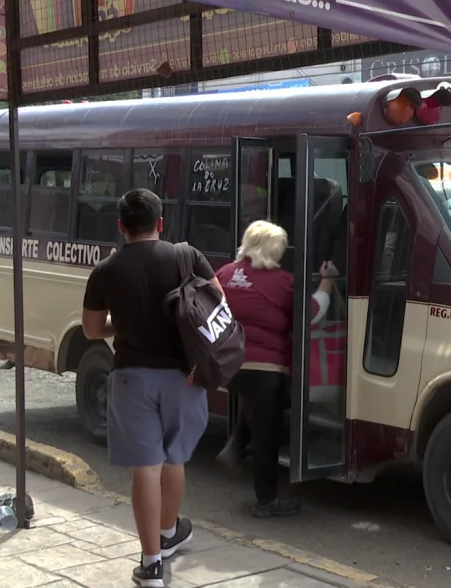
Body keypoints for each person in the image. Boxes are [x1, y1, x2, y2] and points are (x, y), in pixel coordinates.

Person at [82, 188, 220, 587]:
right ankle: (168, 532)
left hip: (131, 377)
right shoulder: (186, 256)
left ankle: (151, 563)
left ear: (121, 226)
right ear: (161, 223)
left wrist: (120, 325)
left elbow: (93, 329)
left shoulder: (106, 270)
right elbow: (217, 307)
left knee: (146, 468)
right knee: (174, 459)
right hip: (184, 376)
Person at [215, 220, 335, 518]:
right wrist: (327, 281)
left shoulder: (225, 274)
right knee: (268, 432)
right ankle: (266, 501)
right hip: (265, 368)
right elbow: (313, 314)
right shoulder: (282, 281)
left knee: (260, 408)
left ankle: (237, 442)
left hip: (230, 365)